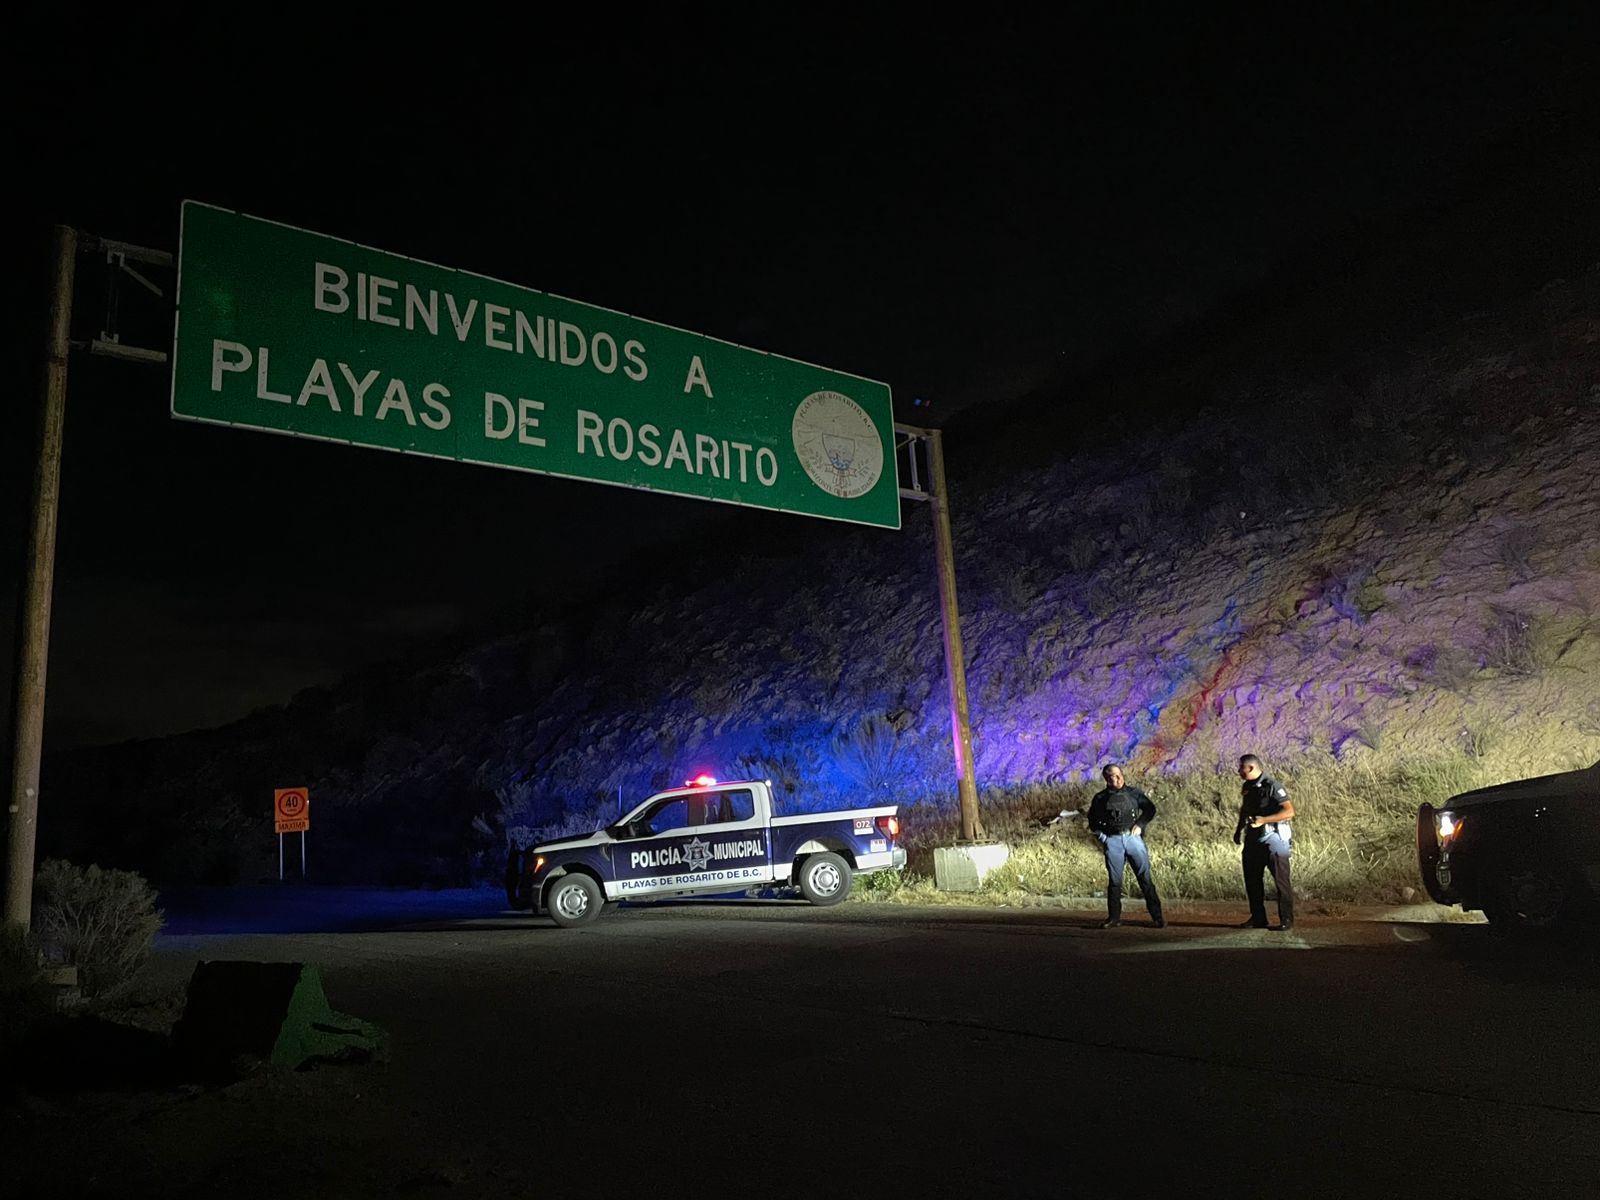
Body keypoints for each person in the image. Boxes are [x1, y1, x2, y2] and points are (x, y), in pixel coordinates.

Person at [1086, 763, 1165, 928]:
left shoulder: (1134, 793)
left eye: (1119, 775)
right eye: (1113, 776)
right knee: (1115, 882)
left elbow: (1150, 809)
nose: (1118, 778)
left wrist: (1140, 824)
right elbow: (1092, 821)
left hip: (1133, 839)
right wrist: (1103, 838)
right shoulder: (1100, 798)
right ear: (1107, 779)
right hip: (1113, 840)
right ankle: (1114, 918)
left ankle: (1157, 917)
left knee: (1145, 878)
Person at [1233, 753, 1295, 930]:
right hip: (1253, 839)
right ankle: (1258, 918)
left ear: (1251, 768)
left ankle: (1286, 920)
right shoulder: (1247, 786)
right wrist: (1238, 830)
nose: (1238, 771)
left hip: (1273, 838)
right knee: (1252, 880)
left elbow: (1289, 812)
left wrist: (1264, 820)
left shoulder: (1272, 786)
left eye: (1241, 768)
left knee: (1281, 881)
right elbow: (1245, 809)